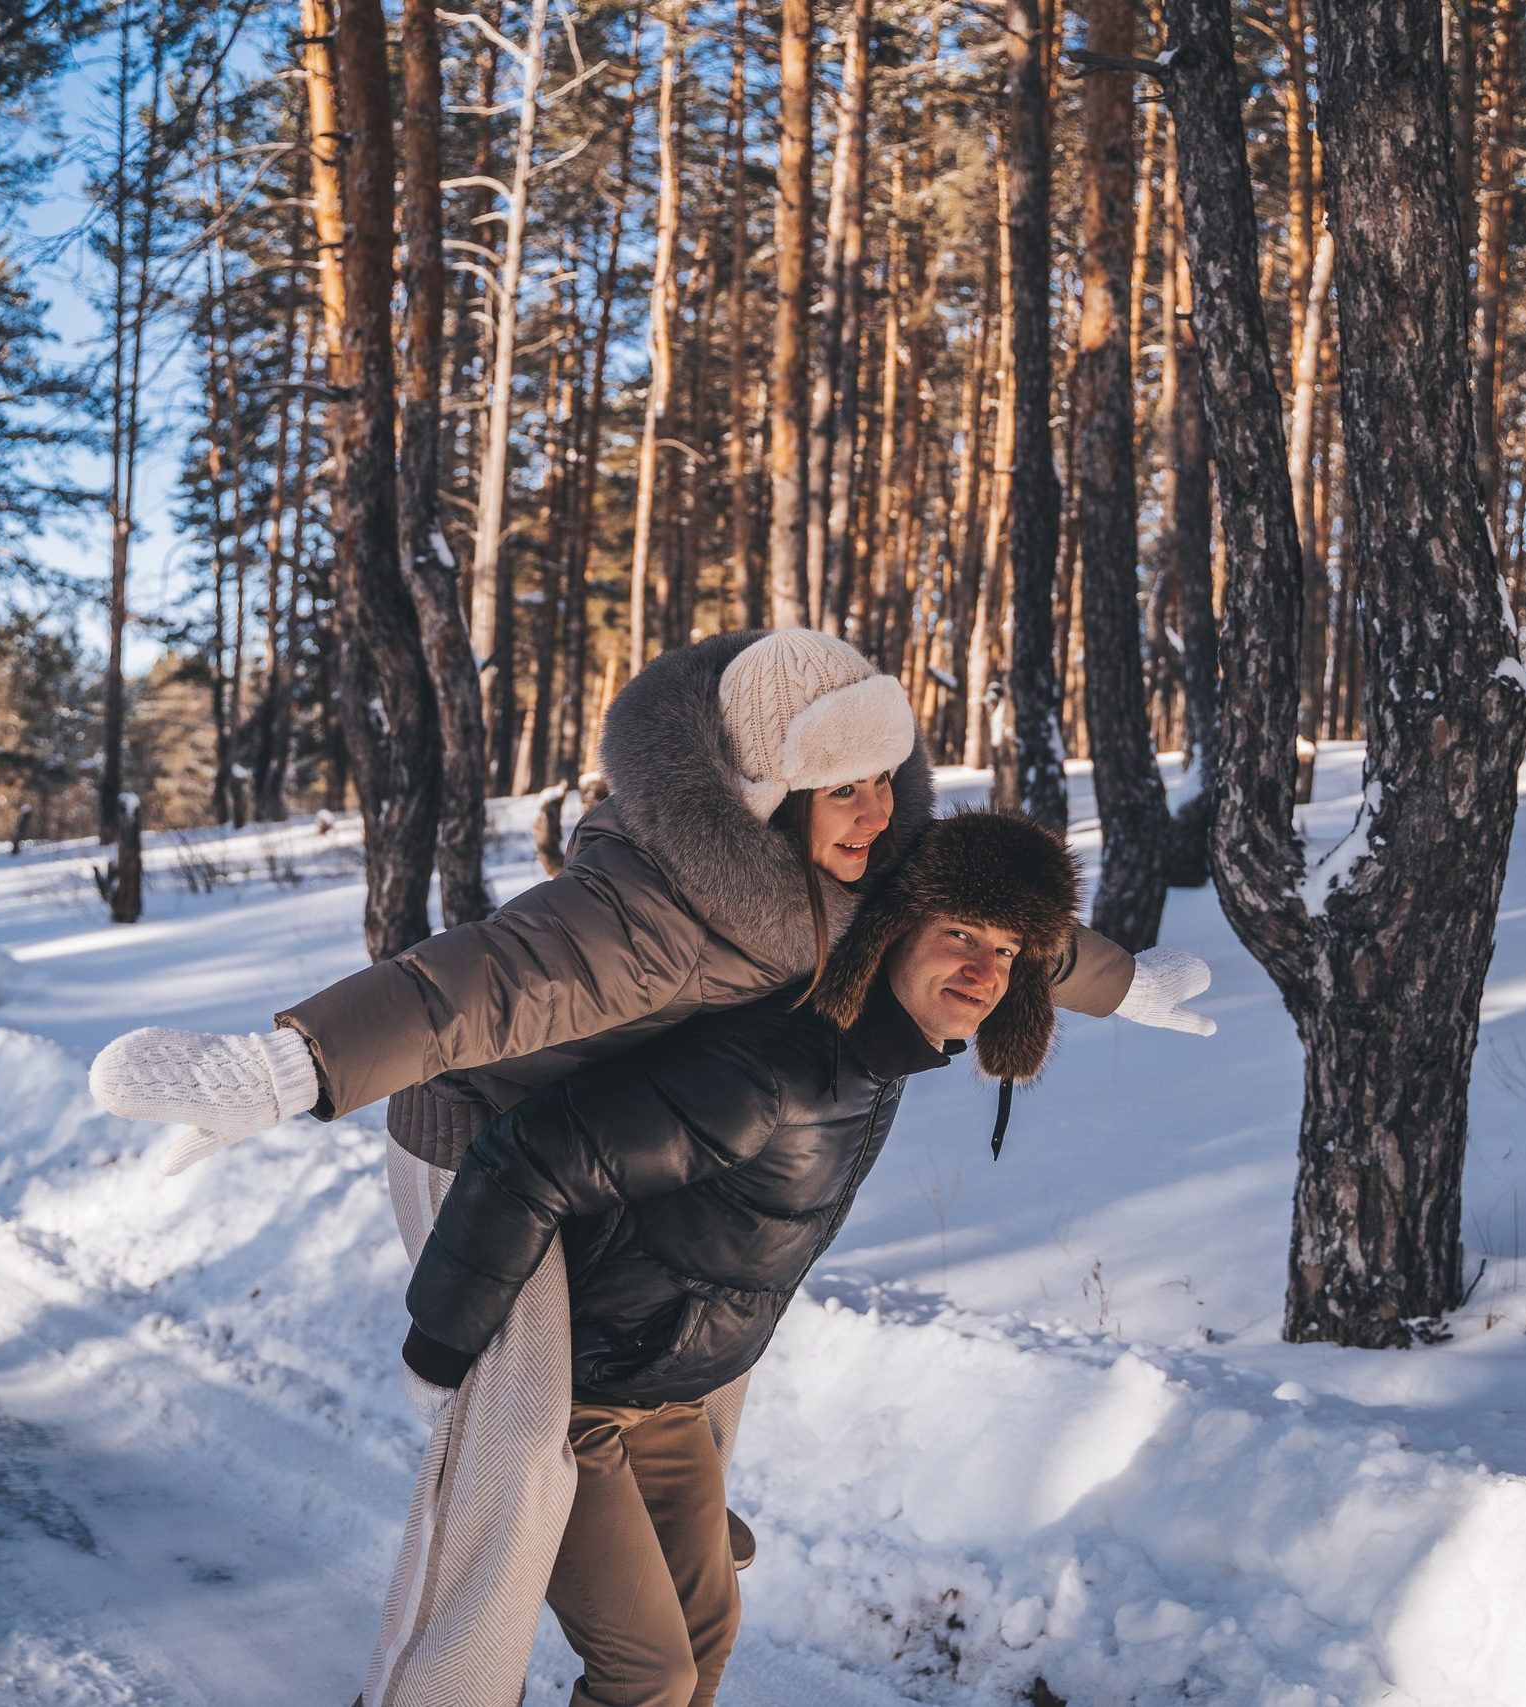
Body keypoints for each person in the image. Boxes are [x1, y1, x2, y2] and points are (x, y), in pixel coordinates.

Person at [87, 629, 1218, 1707]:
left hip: (636, 1145)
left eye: (886, 775)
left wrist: (1125, 987)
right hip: (485, 1135)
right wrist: (288, 1070)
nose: (875, 811)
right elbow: (466, 988)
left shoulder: (868, 860)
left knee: (693, 1388)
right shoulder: (649, 907)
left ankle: (652, 1557)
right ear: (770, 792)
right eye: (843, 787)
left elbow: (998, 925)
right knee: (520, 1450)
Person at [402, 808, 1084, 1707]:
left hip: (665, 1397)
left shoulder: (876, 1059)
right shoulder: (776, 1065)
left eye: (1006, 950)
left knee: (704, 1633)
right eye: (960, 932)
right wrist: (440, 1350)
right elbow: (530, 1156)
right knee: (649, 1668)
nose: (982, 969)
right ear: (891, 931)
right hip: (577, 1393)